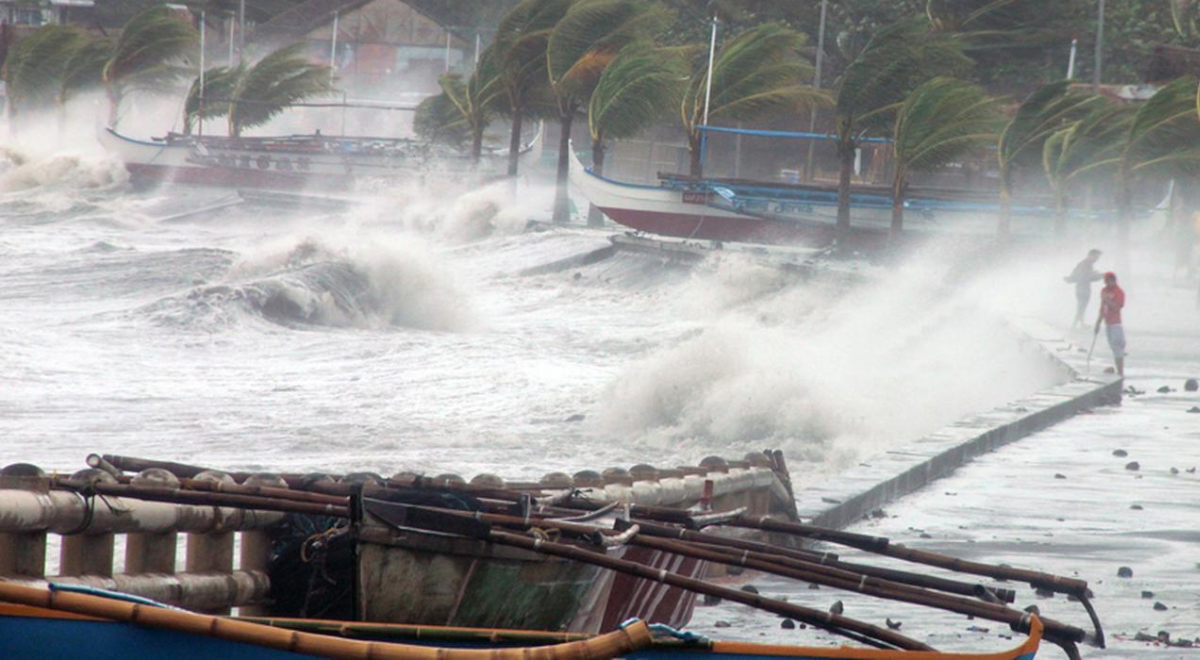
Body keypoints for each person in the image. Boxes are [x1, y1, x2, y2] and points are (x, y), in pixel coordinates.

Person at [1095, 271, 1126, 377]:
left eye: (1108, 282)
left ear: (1113, 280)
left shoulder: (1119, 292)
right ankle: (1118, 371)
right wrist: (1098, 323)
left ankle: (1120, 372)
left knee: (1118, 347)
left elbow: (1117, 308)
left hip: (1116, 324)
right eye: (1105, 282)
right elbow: (1102, 308)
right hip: (1107, 323)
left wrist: (1108, 300)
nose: (1106, 285)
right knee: (1113, 347)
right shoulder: (1104, 291)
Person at [1065, 249, 1103, 328]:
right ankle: (1074, 325)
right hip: (1083, 288)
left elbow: (1076, 274)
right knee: (1081, 307)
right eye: (1096, 257)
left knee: (1081, 306)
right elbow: (1086, 277)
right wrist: (1099, 276)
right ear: (1091, 255)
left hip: (1080, 288)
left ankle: (1080, 324)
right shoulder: (1086, 264)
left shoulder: (1083, 263)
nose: (1097, 259)